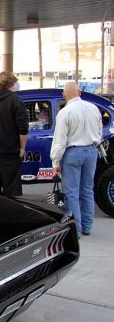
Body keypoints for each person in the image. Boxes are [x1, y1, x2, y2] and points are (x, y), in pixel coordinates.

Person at [50, 82, 102, 236]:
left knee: (71, 192)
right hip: (91, 151)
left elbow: (59, 140)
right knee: (87, 190)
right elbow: (99, 132)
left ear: (64, 95)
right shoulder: (93, 108)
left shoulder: (65, 112)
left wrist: (55, 162)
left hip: (72, 153)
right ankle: (87, 226)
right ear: (79, 92)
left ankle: (76, 229)